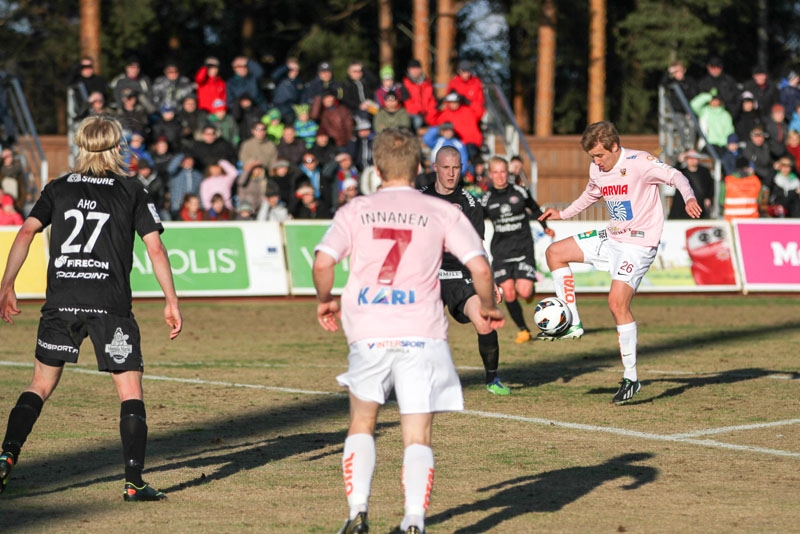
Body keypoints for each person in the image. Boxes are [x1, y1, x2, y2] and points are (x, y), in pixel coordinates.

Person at [312, 128, 503, 534]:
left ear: (377, 169)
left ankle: (357, 512)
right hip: (423, 332)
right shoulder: (440, 210)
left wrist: (325, 298)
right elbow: (481, 267)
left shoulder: (355, 209)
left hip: (368, 329)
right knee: (417, 433)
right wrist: (486, 306)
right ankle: (414, 519)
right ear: (420, 167)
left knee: (362, 422)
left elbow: (323, 261)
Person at [0, 115, 182, 500]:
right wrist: (171, 299)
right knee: (129, 390)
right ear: (117, 147)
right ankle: (133, 482)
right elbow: (155, 248)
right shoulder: (132, 189)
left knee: (40, 385)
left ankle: (6, 457)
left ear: (80, 146)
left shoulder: (59, 187)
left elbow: (27, 231)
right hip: (109, 304)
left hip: (61, 301)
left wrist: (7, 284)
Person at [538, 121, 701, 404]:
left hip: (638, 245)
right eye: (592, 157)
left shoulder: (640, 162)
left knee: (617, 303)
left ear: (614, 146)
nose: (596, 162)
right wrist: (562, 214)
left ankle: (631, 378)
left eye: (600, 155)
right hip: (612, 236)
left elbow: (677, 177)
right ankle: (573, 322)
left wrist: (689, 198)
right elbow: (590, 194)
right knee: (555, 252)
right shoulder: (597, 168)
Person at [420, 146, 509, 395]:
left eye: (456, 168)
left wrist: (489, 281)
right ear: (435, 167)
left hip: (460, 276)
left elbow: (478, 247)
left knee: (484, 320)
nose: (451, 173)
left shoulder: (470, 203)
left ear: (462, 169)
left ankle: (492, 379)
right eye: (446, 167)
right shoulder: (419, 199)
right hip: (427, 277)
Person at [482, 156, 554, 343]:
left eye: (502, 172)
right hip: (501, 252)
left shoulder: (520, 191)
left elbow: (535, 209)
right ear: (490, 174)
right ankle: (524, 330)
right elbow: (476, 221)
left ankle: (530, 291)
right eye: (495, 172)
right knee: (508, 291)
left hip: (523, 248)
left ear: (508, 172)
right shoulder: (486, 198)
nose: (499, 176)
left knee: (524, 291)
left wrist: (545, 226)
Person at [669, 150, 714, 219]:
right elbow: (671, 174)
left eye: (695, 158)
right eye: (690, 158)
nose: (692, 160)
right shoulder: (681, 172)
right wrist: (679, 161)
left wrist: (708, 198)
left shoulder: (705, 172)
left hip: (699, 207)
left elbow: (710, 186)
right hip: (682, 208)